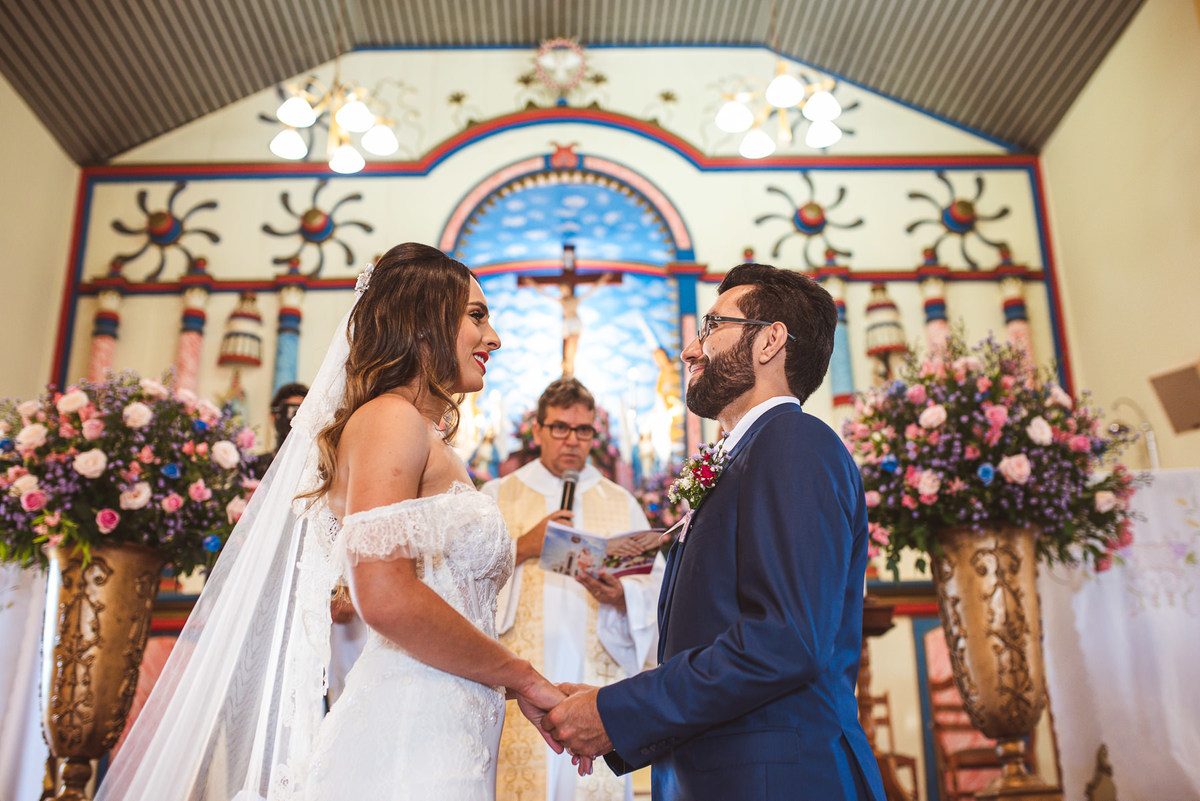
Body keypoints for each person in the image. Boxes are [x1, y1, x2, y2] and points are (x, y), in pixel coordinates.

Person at [96, 243, 573, 801]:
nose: (493, 337)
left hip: (446, 721)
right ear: (423, 322)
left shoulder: (415, 429)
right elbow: (384, 594)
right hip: (410, 734)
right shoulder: (391, 420)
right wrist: (521, 675)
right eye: (476, 315)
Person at [543, 263, 887, 801]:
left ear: (771, 340)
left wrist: (618, 712)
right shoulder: (746, 456)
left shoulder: (793, 442)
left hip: (777, 780)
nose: (691, 350)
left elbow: (784, 639)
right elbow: (717, 633)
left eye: (712, 326)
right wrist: (615, 702)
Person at [482, 378, 665, 801]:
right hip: (520, 678)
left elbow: (656, 588)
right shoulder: (498, 495)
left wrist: (622, 596)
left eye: (583, 431)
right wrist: (523, 547)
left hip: (593, 672)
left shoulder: (620, 501)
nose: (572, 441)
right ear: (539, 431)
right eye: (560, 428)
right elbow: (462, 582)